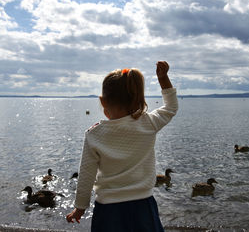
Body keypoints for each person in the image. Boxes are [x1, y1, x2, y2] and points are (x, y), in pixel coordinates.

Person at [66, 61, 178, 231]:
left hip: (108, 210)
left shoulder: (94, 134)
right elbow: (171, 108)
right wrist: (163, 79)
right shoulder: (148, 123)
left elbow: (86, 175)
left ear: (102, 102)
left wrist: (80, 208)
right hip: (143, 206)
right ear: (138, 99)